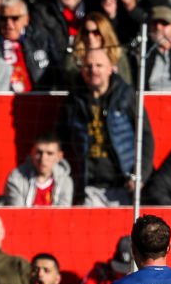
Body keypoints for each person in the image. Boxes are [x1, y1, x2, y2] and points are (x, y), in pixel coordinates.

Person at [59, 49, 153, 206]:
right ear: (82, 70)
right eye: (88, 66)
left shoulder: (126, 95)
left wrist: (140, 175)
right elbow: (61, 137)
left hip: (125, 183)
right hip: (89, 186)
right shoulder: (74, 100)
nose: (93, 70)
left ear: (111, 68)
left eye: (99, 65)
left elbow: (145, 136)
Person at [0, 0, 58, 92]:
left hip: (40, 98)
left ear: (26, 19)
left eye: (14, 18)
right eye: (3, 19)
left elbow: (56, 71)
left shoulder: (41, 39)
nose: (8, 23)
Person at [61, 12, 133, 89]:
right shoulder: (74, 56)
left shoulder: (118, 55)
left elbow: (126, 84)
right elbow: (70, 81)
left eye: (96, 32)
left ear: (104, 33)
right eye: (86, 32)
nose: (90, 37)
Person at [0, 133, 73, 206]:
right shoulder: (16, 178)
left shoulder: (65, 181)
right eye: (39, 152)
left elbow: (63, 214)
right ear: (32, 152)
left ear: (59, 156)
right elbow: (17, 214)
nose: (43, 158)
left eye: (50, 153)